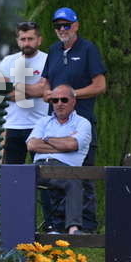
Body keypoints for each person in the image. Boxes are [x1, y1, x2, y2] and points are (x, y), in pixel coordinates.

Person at [18, 7, 106, 231]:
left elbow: (100, 85)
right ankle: (54, 226)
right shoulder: (54, 50)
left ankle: (85, 228)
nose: (62, 29)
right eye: (58, 26)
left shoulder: (88, 49)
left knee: (83, 176)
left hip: (81, 121)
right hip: (54, 123)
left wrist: (73, 94)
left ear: (76, 26)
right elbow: (44, 85)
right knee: (50, 176)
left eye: (66, 25)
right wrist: (14, 88)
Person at [26, 85, 92, 235]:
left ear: (73, 101)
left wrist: (46, 139)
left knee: (74, 180)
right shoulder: (43, 121)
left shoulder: (83, 123)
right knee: (15, 178)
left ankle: (73, 229)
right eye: (55, 100)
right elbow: (32, 145)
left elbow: (72, 145)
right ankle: (20, 228)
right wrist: (63, 144)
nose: (59, 103)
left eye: (64, 100)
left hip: (65, 169)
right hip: (39, 168)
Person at [0, 21, 48, 164]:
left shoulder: (47, 60)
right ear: (17, 41)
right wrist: (34, 89)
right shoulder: (8, 61)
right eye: (23, 39)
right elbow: (2, 92)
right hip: (12, 125)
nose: (26, 43)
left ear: (39, 40)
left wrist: (16, 87)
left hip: (40, 125)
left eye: (30, 39)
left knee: (42, 171)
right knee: (11, 172)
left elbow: (44, 89)